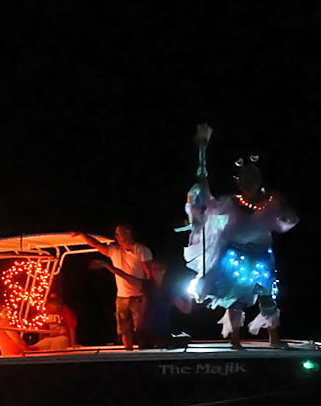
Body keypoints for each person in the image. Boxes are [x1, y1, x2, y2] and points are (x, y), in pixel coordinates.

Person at [184, 124, 298, 348]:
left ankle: (274, 339)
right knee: (234, 299)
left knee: (267, 297)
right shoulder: (230, 202)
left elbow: (288, 220)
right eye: (245, 180)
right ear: (239, 182)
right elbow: (204, 188)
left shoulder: (270, 203)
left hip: (262, 257)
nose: (249, 183)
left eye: (253, 179)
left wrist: (281, 202)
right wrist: (202, 149)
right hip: (235, 256)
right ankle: (235, 340)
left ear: (258, 181)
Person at [75, 225, 153, 350]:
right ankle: (128, 352)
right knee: (124, 329)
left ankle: (144, 353)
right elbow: (96, 245)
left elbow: (149, 274)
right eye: (115, 234)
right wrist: (83, 235)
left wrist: (148, 293)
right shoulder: (115, 251)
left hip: (139, 295)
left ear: (128, 233)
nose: (116, 237)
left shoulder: (141, 250)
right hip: (122, 296)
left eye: (119, 233)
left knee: (141, 328)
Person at [91, 259, 192, 348]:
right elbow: (124, 276)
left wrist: (190, 297)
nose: (156, 271)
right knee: (146, 360)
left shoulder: (170, 289)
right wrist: (106, 265)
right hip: (145, 331)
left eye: (158, 268)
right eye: (153, 269)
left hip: (162, 330)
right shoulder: (146, 285)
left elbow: (185, 309)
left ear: (164, 270)